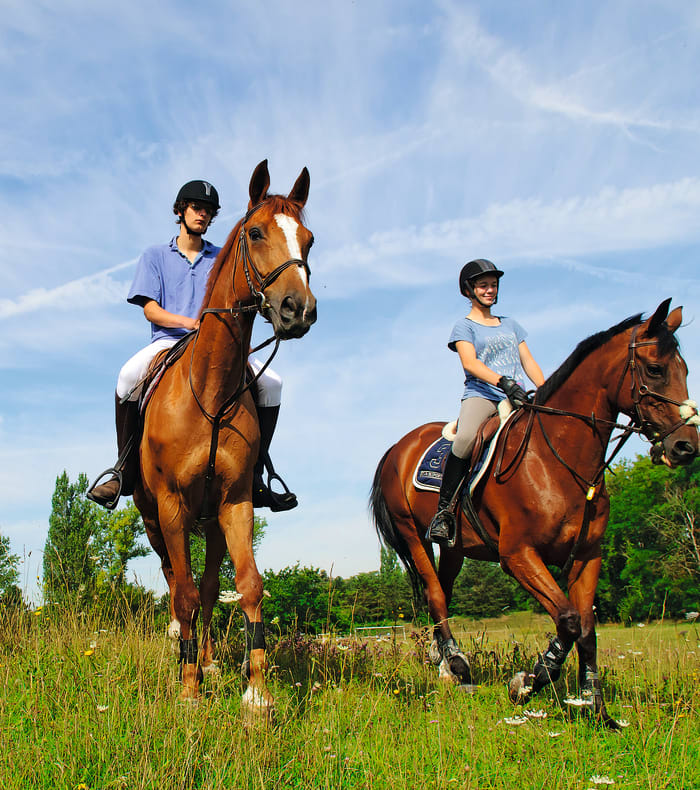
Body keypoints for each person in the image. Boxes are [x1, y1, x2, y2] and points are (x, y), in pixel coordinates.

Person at [87, 180, 297, 512]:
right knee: (127, 378)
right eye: (197, 208)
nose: (203, 214)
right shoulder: (155, 255)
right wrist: (189, 323)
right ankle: (123, 470)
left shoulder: (221, 256)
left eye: (209, 211)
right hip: (168, 343)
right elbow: (150, 309)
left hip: (218, 348)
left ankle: (258, 475)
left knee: (273, 384)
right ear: (181, 210)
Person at [427, 258, 545, 546]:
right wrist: (502, 382)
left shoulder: (511, 324)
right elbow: (470, 363)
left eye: (493, 285)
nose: (489, 290)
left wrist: (544, 388)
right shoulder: (463, 327)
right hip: (483, 395)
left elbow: (527, 361)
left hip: (517, 396)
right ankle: (444, 513)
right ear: (469, 291)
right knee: (466, 439)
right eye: (483, 286)